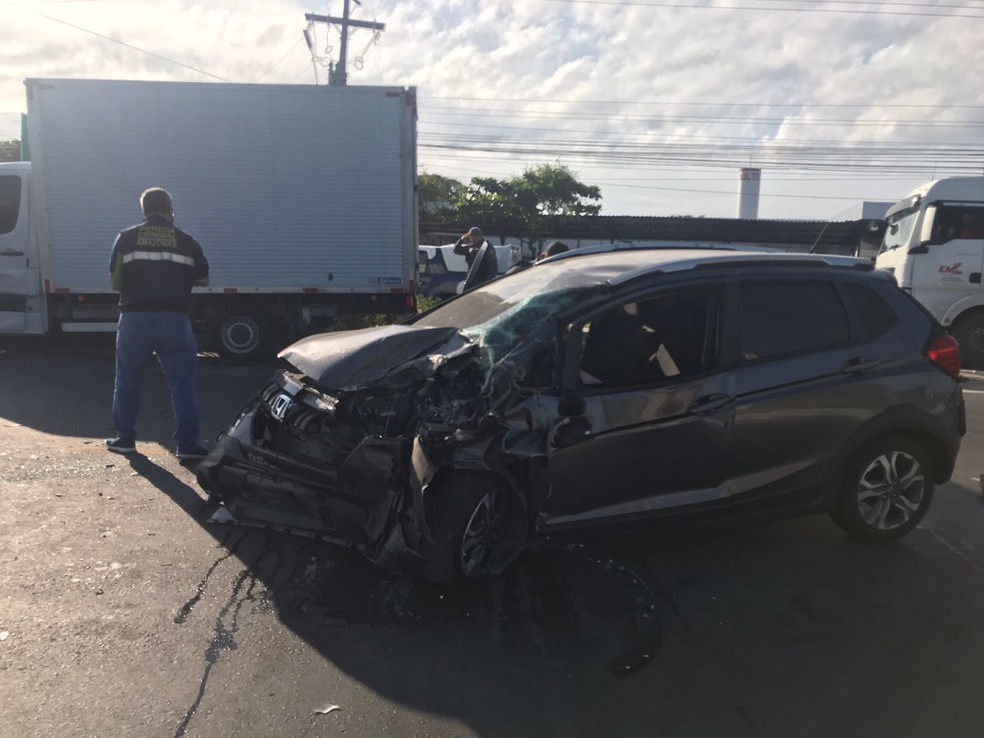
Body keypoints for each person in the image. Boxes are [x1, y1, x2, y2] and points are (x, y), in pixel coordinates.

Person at [106, 187, 210, 459]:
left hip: (135, 319)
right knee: (182, 384)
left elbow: (115, 282)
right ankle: (188, 446)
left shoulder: (126, 238)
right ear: (170, 210)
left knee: (128, 379)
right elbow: (203, 280)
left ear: (144, 210)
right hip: (175, 319)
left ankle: (124, 439)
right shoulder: (186, 240)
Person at [455, 226, 498, 290]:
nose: (471, 238)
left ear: (479, 237)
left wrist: (489, 279)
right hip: (472, 276)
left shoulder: (487, 247)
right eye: (471, 237)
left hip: (483, 277)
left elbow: (493, 264)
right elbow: (456, 250)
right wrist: (462, 239)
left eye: (473, 236)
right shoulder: (470, 247)